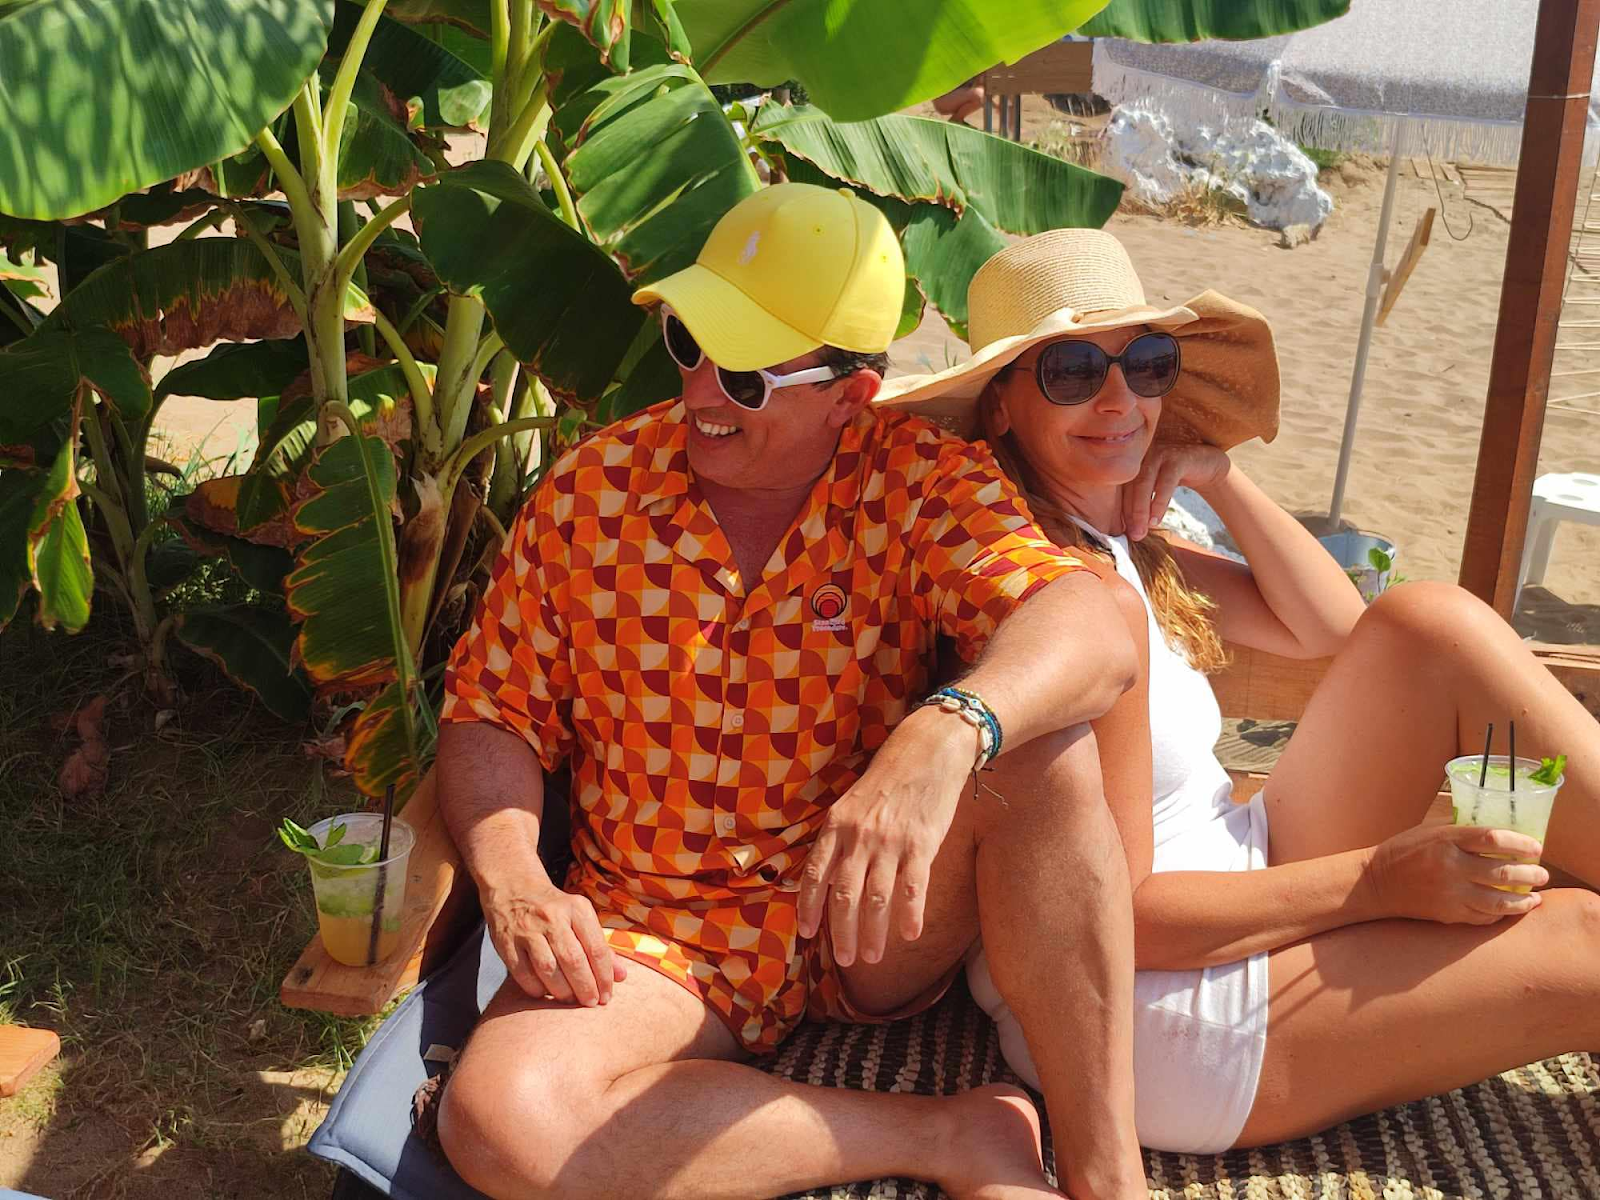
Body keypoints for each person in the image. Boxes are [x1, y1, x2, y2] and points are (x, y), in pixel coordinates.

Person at [431, 186, 1155, 1199]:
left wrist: (945, 733)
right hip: (658, 932)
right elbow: (489, 708)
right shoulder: (591, 490)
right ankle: (949, 1136)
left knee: (1042, 750)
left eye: (744, 375)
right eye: (687, 344)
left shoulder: (915, 479)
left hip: (865, 915)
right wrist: (513, 878)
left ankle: (1106, 1173)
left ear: (849, 396)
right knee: (499, 1122)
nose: (701, 392)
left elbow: (1089, 625)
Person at [878, 227, 1600, 1156]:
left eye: (1146, 363)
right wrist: (1380, 883)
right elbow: (1117, 920)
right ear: (1003, 407)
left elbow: (1336, 629)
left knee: (1432, 623)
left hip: (1237, 874)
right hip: (1153, 1004)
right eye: (1072, 371)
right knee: (1585, 940)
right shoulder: (1051, 597)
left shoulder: (1118, 546)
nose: (1119, 399)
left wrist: (1218, 475)